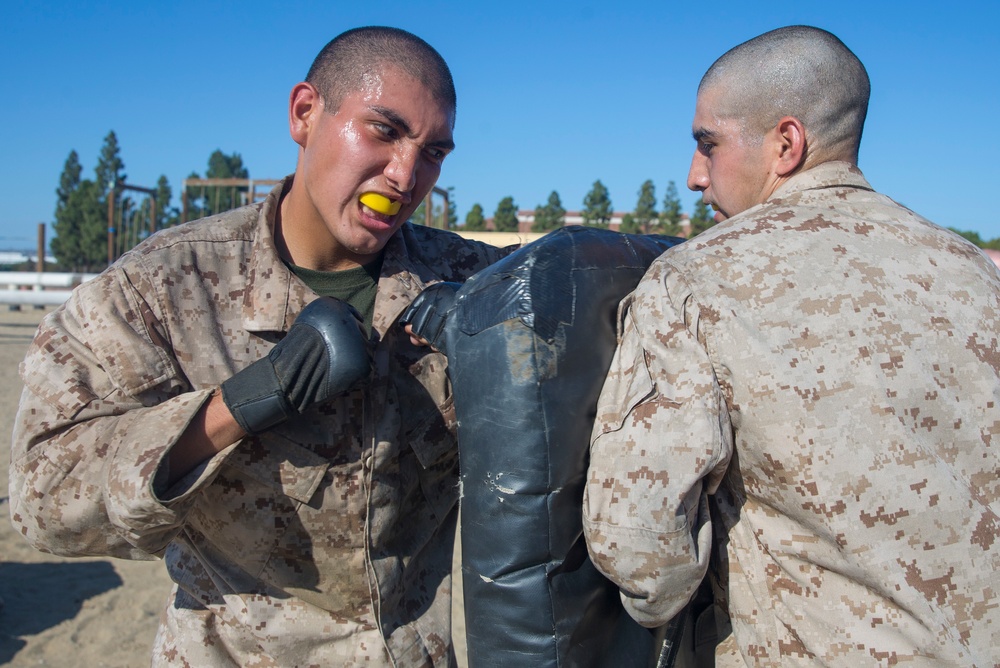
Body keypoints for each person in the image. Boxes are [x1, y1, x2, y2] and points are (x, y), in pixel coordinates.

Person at [9, 26, 513, 667]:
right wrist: (234, 408)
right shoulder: (162, 287)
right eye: (383, 130)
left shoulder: (469, 284)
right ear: (305, 113)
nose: (407, 174)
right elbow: (41, 498)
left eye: (434, 151)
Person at [582, 25, 1000, 666]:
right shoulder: (979, 273)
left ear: (786, 144)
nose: (695, 175)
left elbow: (643, 557)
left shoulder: (696, 279)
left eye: (707, 143)